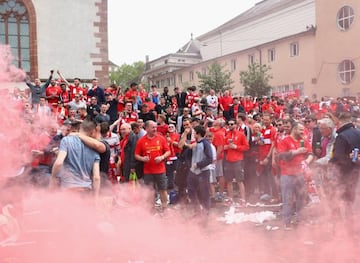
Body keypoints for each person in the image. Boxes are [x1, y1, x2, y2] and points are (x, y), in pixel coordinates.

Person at [50, 119, 101, 199]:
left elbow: (59, 163)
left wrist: (52, 179)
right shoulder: (94, 148)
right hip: (86, 190)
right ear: (93, 131)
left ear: (81, 127)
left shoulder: (66, 140)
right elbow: (96, 177)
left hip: (69, 189)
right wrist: (96, 198)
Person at [277, 122, 313, 229]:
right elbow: (281, 156)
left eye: (303, 130)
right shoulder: (285, 140)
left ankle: (300, 220)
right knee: (287, 199)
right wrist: (296, 152)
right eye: (300, 130)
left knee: (301, 198)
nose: (303, 132)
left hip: (301, 174)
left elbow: (310, 153)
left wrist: (307, 161)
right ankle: (287, 222)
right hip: (287, 175)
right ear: (294, 129)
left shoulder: (304, 141)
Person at [329, 112, 360, 234]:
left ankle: (349, 230)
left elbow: (338, 158)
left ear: (340, 122)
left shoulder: (341, 137)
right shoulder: (358, 132)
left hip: (346, 175)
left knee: (347, 202)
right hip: (357, 173)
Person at [134, 121, 171, 209]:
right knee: (149, 190)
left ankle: (165, 208)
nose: (155, 129)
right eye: (152, 127)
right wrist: (143, 159)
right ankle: (151, 209)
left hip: (160, 170)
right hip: (148, 171)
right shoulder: (141, 141)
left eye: (155, 127)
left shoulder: (161, 138)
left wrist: (162, 157)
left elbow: (168, 151)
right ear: (146, 129)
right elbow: (136, 155)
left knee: (163, 189)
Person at [186, 125, 214, 214]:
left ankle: (206, 212)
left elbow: (210, 158)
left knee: (204, 192)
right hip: (192, 171)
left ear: (198, 134)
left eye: (194, 132)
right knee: (191, 191)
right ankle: (197, 211)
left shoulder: (205, 143)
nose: (192, 134)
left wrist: (198, 164)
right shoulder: (194, 143)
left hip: (203, 172)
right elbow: (187, 155)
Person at [223, 119, 249, 206]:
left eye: (232, 124)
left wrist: (236, 147)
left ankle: (243, 200)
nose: (230, 126)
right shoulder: (227, 135)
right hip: (228, 160)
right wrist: (225, 147)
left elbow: (246, 147)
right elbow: (223, 146)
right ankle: (230, 199)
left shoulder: (241, 134)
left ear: (235, 125)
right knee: (229, 180)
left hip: (238, 160)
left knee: (240, 180)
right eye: (229, 124)